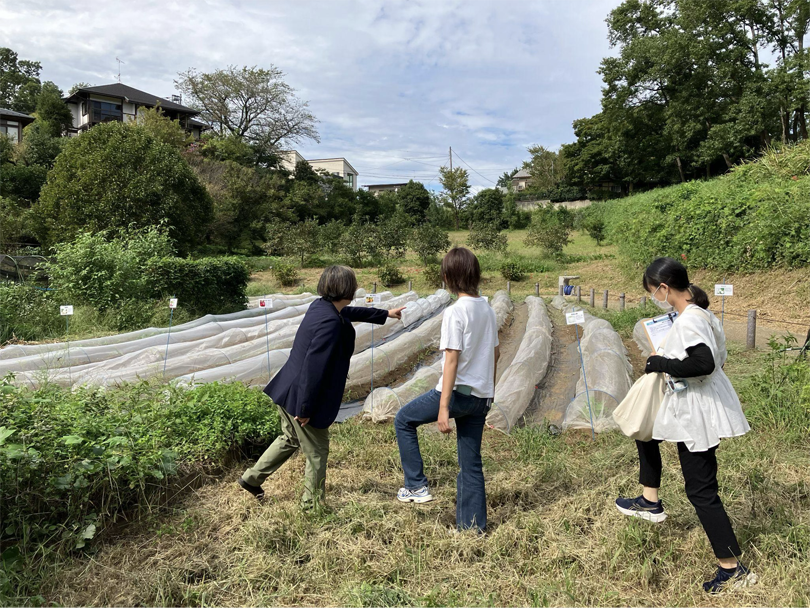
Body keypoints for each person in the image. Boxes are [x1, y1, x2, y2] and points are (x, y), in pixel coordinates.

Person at [615, 257, 756, 593]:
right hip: (696, 406)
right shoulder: (702, 315)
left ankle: (733, 570)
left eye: (653, 292)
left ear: (664, 288)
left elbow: (704, 362)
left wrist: (660, 362)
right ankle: (650, 500)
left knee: (702, 491)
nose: (654, 297)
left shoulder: (690, 320)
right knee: (644, 430)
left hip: (698, 414)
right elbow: (720, 357)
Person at [238, 265, 404, 507]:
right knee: (317, 451)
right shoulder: (330, 324)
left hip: (287, 387)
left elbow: (349, 312)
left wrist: (385, 314)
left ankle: (251, 479)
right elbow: (313, 371)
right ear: (349, 289)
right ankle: (311, 505)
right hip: (300, 396)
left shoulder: (321, 307)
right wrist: (305, 409)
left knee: (290, 438)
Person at [394, 247, 499, 533]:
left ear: (447, 278)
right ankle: (472, 528)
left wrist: (443, 407)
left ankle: (415, 485)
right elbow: (496, 354)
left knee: (404, 420)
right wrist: (489, 392)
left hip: (457, 395)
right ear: (476, 275)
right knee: (471, 463)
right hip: (480, 397)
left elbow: (451, 359)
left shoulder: (455, 312)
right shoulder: (487, 309)